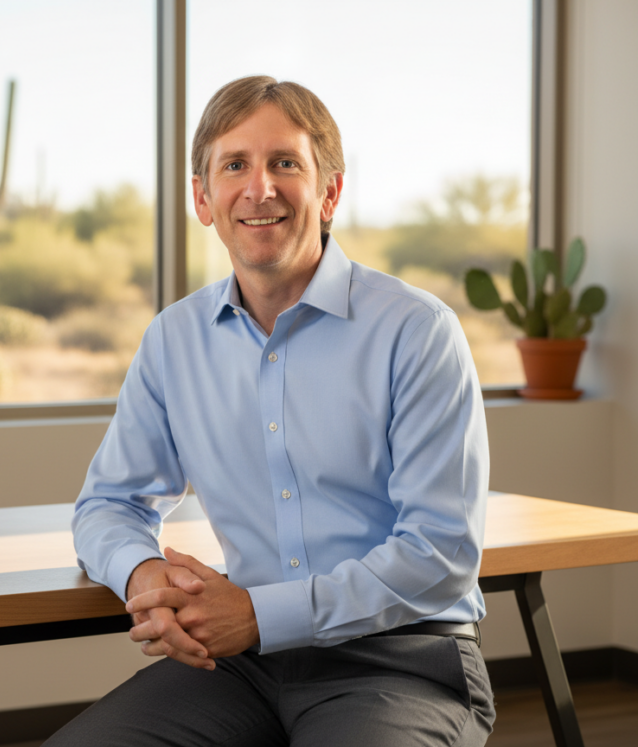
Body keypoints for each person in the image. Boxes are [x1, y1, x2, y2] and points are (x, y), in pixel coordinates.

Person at [47, 76, 494, 746]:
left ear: (330, 192)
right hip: (238, 665)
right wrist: (148, 578)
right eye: (235, 165)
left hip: (400, 660)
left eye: (285, 162)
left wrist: (258, 613)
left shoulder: (416, 330)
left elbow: (440, 551)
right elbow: (108, 503)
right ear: (203, 197)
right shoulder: (174, 339)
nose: (261, 188)